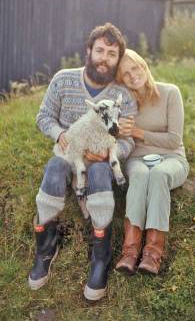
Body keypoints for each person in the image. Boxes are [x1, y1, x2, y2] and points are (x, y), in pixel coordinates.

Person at [28, 23, 137, 301]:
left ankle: (101, 255)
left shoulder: (122, 96)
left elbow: (127, 140)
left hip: (100, 158)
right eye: (100, 50)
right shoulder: (63, 79)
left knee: (100, 172)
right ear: (88, 51)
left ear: (117, 59)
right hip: (68, 152)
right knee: (54, 168)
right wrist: (60, 134)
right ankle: (45, 247)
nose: (104, 58)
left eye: (112, 54)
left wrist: (111, 153)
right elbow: (44, 117)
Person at [115, 49, 189, 275]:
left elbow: (174, 139)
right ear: (121, 80)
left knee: (158, 174)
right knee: (140, 175)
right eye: (125, 73)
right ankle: (129, 252)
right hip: (137, 159)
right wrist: (118, 132)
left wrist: (138, 132)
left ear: (144, 66)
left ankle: (152, 255)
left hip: (172, 158)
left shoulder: (170, 93)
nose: (133, 75)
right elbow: (118, 137)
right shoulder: (124, 103)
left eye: (135, 67)